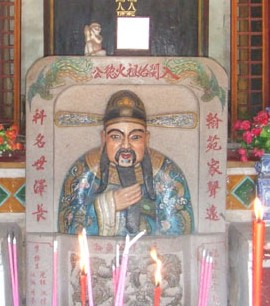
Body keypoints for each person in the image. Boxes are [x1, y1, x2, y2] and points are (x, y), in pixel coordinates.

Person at [58, 90, 194, 236]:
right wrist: (109, 204)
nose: (126, 146)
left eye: (135, 137)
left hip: (149, 249)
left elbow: (179, 232)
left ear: (146, 139)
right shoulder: (84, 171)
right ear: (104, 138)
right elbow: (69, 229)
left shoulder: (166, 173)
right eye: (116, 137)